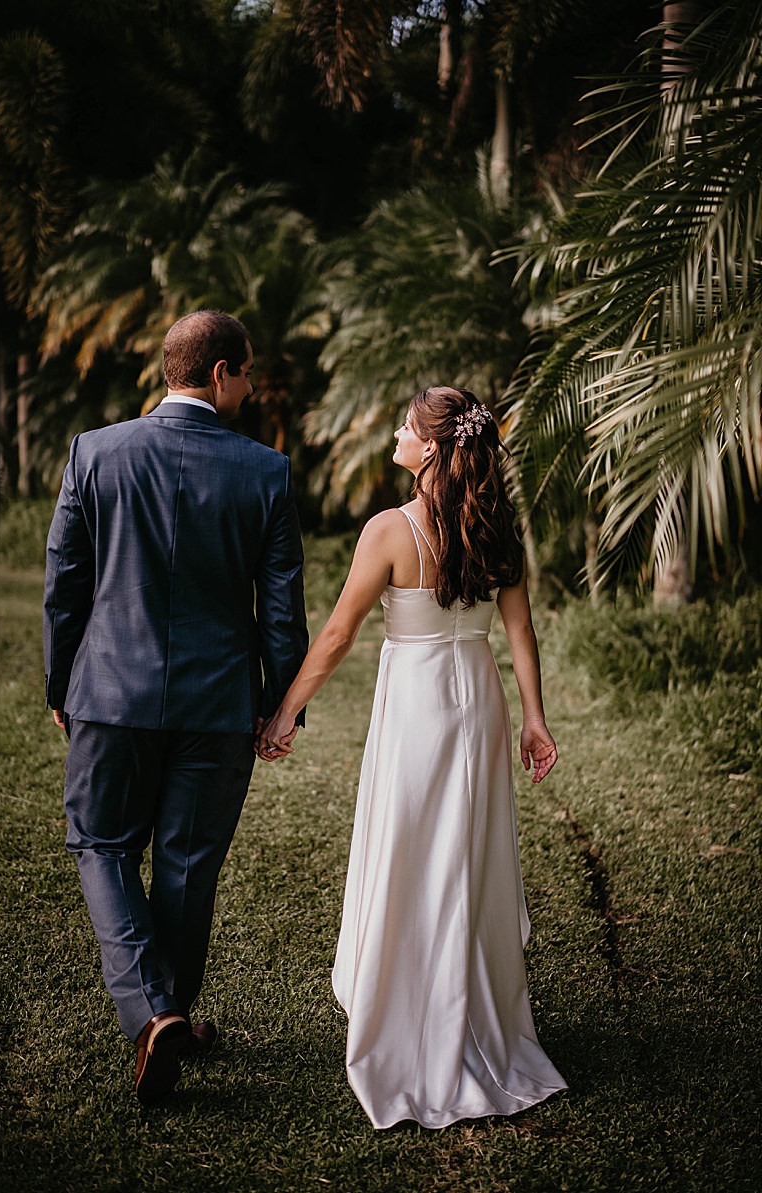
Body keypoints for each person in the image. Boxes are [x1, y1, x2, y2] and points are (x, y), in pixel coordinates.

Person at [256, 385, 568, 1129]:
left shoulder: (390, 530)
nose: (395, 434)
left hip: (419, 708)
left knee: (411, 850)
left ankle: (413, 1018)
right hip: (479, 703)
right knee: (464, 855)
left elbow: (338, 635)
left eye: (405, 426)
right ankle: (467, 1012)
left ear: (430, 448)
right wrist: (533, 717)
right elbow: (519, 632)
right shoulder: (496, 524)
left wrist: (284, 710)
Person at [43, 310, 308, 1104]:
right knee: (188, 863)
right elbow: (281, 609)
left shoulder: (95, 452)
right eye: (247, 373)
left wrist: (61, 683)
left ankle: (153, 1012)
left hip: (110, 693)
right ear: (220, 373)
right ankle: (168, 1013)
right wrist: (279, 704)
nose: (250, 388)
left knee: (102, 842)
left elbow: (65, 582)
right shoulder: (266, 471)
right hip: (218, 702)